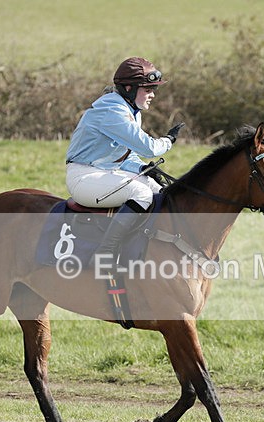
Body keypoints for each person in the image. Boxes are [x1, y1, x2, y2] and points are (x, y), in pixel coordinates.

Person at [65, 57, 184, 273]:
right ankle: (105, 253)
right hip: (83, 178)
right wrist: (169, 140)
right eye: (148, 89)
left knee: (158, 190)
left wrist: (143, 170)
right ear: (129, 88)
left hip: (104, 173)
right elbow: (148, 148)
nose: (152, 95)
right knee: (141, 193)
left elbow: (121, 156)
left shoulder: (127, 110)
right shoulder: (112, 112)